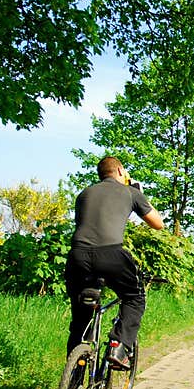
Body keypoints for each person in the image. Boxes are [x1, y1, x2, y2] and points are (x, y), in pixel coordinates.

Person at [64, 156, 165, 369]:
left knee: (81, 321)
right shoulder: (130, 192)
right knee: (134, 297)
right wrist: (139, 193)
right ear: (120, 171)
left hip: (77, 256)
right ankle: (119, 346)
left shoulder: (84, 194)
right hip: (111, 254)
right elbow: (158, 224)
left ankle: (73, 386)